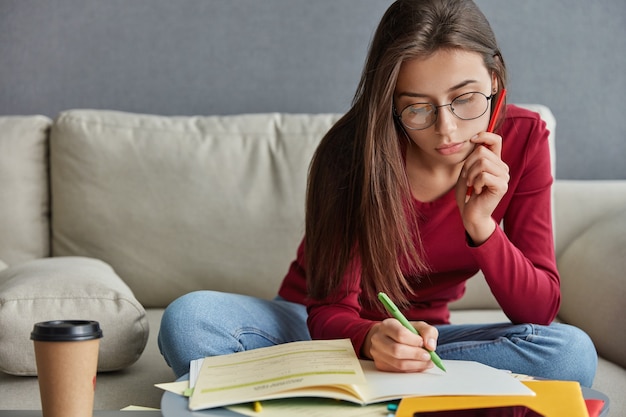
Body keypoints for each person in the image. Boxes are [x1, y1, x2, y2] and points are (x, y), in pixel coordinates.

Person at [158, 0, 597, 386]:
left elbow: (538, 311)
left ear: (495, 78)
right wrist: (369, 340)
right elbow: (328, 310)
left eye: (465, 99)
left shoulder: (525, 138)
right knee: (189, 321)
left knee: (570, 352)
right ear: (390, 102)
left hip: (427, 336)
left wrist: (482, 226)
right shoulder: (351, 152)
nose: (446, 129)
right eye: (416, 108)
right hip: (314, 328)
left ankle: (352, 383)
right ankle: (412, 385)